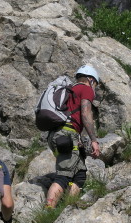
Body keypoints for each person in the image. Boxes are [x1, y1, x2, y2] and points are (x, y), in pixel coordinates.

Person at [45, 64, 102, 208]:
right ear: (90, 79)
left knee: (80, 174)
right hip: (67, 135)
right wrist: (94, 140)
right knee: (64, 175)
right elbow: (85, 113)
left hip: (57, 136)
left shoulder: (70, 90)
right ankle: (48, 210)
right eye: (94, 83)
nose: (94, 86)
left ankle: (66, 208)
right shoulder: (86, 89)